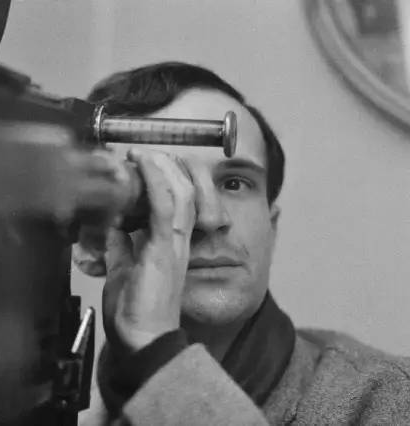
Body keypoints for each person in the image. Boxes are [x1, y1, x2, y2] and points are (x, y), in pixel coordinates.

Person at [77, 62, 410, 425]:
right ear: (87, 244)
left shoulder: (388, 399)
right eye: (164, 185)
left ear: (271, 226)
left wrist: (158, 358)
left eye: (234, 183)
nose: (209, 217)